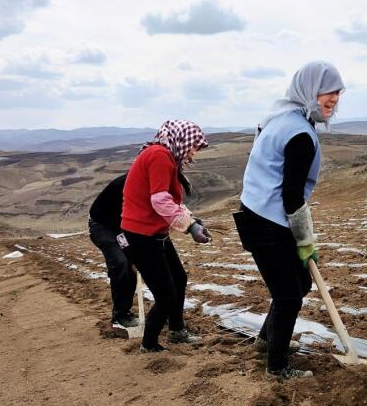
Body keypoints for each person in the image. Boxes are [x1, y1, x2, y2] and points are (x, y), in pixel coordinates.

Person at [234, 61, 345, 379]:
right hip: (268, 221)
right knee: (287, 296)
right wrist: (305, 240)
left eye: (338, 92)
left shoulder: (281, 116)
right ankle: (277, 367)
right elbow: (292, 198)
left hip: (259, 214)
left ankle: (267, 340)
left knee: (300, 283)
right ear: (310, 90)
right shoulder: (298, 134)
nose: (334, 98)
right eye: (328, 91)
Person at [121, 120, 211, 353]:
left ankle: (176, 331)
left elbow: (171, 202)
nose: (193, 153)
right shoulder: (160, 156)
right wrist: (190, 227)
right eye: (193, 147)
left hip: (154, 234)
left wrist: (193, 222)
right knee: (165, 295)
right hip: (142, 236)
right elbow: (160, 200)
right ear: (182, 140)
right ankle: (149, 344)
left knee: (178, 279)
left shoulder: (164, 156)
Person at [88, 174, 139, 328]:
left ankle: (163, 309)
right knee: (121, 263)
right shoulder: (126, 185)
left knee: (133, 265)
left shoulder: (147, 183)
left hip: (122, 226)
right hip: (102, 226)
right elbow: (123, 220)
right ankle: (120, 315)